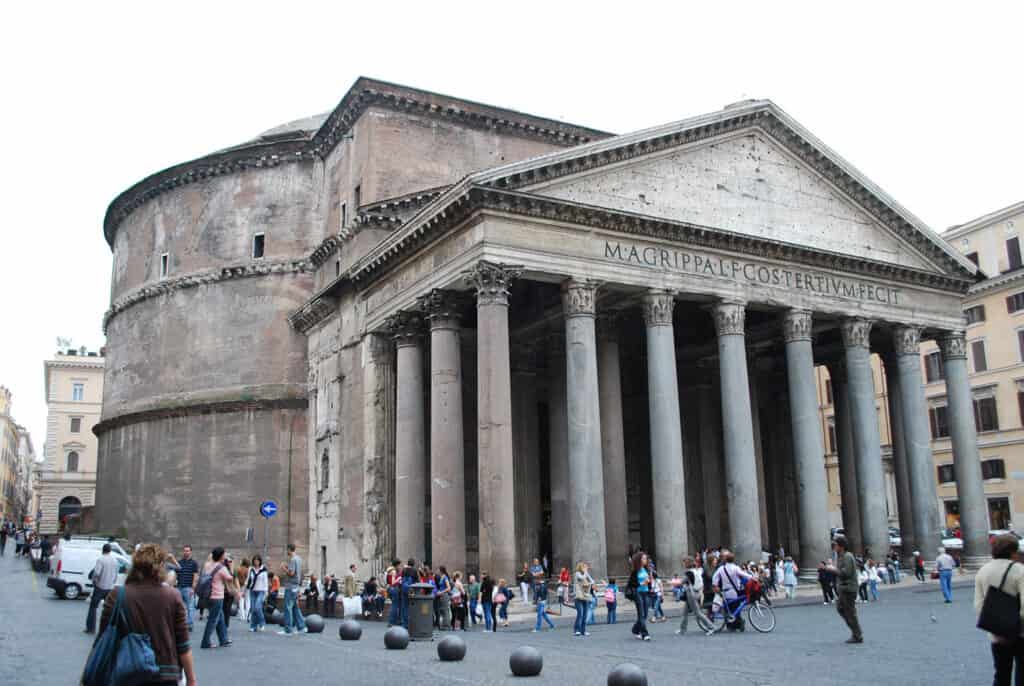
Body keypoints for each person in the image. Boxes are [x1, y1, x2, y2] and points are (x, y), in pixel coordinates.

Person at [93, 544, 196, 686]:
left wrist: (91, 671)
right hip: (164, 673)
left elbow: (102, 638)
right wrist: (191, 679)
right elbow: (183, 644)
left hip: (125, 670)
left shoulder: (117, 595)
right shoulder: (172, 596)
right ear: (161, 567)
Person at [975, 533, 1024, 685]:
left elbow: (978, 605)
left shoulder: (983, 571)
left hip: (997, 633)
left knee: (1001, 675)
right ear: (1013, 551)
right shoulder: (1019, 570)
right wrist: (1015, 627)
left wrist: (996, 627)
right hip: (1021, 633)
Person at [200, 547, 235, 649]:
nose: (225, 556)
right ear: (221, 556)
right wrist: (231, 566)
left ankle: (223, 639)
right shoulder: (221, 568)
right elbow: (230, 578)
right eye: (224, 554)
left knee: (220, 617)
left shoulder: (207, 565)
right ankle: (205, 642)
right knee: (213, 620)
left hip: (208, 595)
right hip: (217, 596)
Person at [711, 550, 752, 631]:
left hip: (724, 591)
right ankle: (736, 624)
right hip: (733, 591)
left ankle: (733, 624)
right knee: (735, 607)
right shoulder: (735, 567)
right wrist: (753, 577)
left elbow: (714, 578)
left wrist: (715, 585)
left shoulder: (721, 568)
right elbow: (744, 575)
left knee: (729, 608)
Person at [833, 535, 863, 644]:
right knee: (841, 609)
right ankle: (856, 632)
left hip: (848, 589)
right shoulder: (841, 556)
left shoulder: (847, 556)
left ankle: (857, 634)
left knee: (850, 612)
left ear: (841, 546)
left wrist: (833, 570)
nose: (834, 546)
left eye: (835, 544)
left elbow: (846, 573)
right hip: (844, 588)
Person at [84, 543, 120, 634]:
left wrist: (94, 581)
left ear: (102, 550)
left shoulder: (101, 559)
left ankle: (90, 628)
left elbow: (96, 573)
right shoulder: (115, 561)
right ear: (110, 551)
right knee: (109, 609)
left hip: (100, 587)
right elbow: (116, 575)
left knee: (93, 607)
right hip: (110, 587)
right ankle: (107, 629)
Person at [167, 545, 199, 630]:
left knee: (190, 607)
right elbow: (175, 575)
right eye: (185, 551)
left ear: (191, 552)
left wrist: (193, 588)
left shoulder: (194, 563)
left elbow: (195, 576)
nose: (186, 552)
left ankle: (190, 625)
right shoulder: (179, 562)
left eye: (188, 551)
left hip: (188, 588)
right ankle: (181, 623)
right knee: (179, 607)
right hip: (179, 587)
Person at [278, 543, 307, 635]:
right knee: (295, 607)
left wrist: (283, 568)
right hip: (296, 586)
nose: (287, 552)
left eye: (287, 550)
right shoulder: (298, 559)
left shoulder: (293, 559)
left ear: (289, 550)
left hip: (290, 586)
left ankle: (288, 629)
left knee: (287, 608)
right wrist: (287, 567)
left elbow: (291, 573)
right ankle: (301, 627)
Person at [627, 552, 652, 641]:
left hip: (645, 593)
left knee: (645, 615)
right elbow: (631, 584)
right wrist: (642, 583)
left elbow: (648, 581)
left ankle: (635, 629)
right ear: (639, 560)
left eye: (646, 558)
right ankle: (645, 634)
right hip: (638, 593)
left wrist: (649, 585)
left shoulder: (646, 569)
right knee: (641, 614)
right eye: (644, 558)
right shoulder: (635, 571)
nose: (646, 560)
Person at [247, 554, 268, 632]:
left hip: (261, 591)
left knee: (257, 607)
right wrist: (245, 590)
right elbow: (248, 579)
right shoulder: (251, 569)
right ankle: (253, 626)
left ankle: (262, 623)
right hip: (252, 590)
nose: (256, 562)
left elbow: (265, 581)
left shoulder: (263, 569)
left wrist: (266, 592)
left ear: (260, 561)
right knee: (253, 609)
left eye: (257, 561)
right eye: (255, 561)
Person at [573, 562, 594, 637]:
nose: (586, 568)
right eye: (584, 567)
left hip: (585, 596)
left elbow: (592, 581)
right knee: (580, 614)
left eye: (586, 567)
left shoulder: (585, 573)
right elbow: (581, 578)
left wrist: (588, 582)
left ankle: (583, 631)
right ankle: (576, 630)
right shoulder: (577, 574)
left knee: (584, 615)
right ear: (580, 567)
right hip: (578, 596)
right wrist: (585, 572)